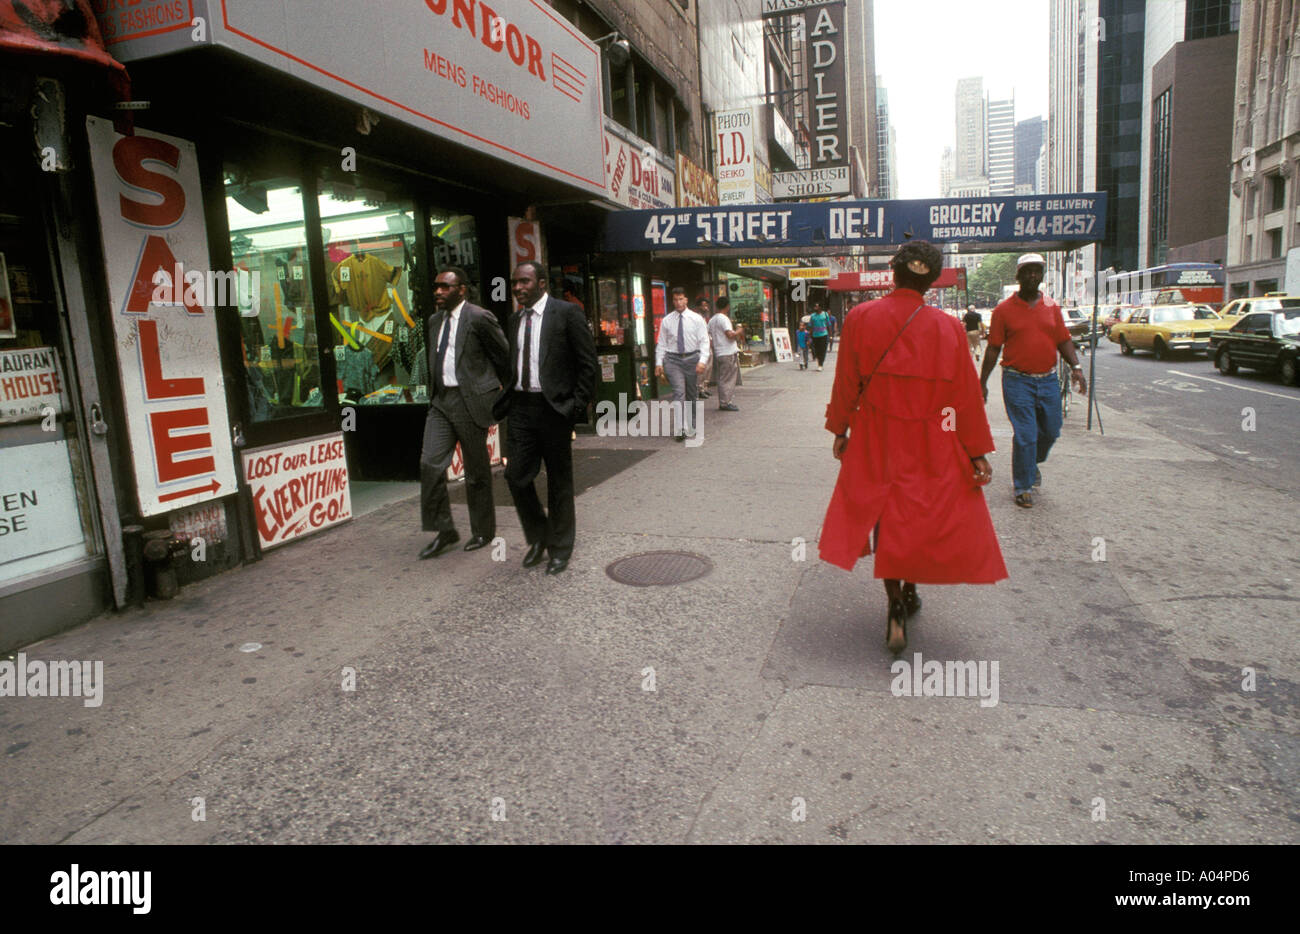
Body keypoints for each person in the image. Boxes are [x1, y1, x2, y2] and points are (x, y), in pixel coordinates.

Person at [821, 240, 1007, 654]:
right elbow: (964, 399)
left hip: (876, 434)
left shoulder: (860, 317)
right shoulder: (949, 328)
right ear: (932, 279)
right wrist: (975, 451)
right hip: (932, 437)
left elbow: (846, 380)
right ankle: (909, 588)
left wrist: (840, 428)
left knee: (885, 513)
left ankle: (893, 603)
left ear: (894, 272)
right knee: (916, 516)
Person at [495, 262, 598, 575]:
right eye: (514, 283)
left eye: (524, 282)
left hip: (555, 409)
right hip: (522, 409)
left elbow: (587, 365)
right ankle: (539, 536)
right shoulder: (514, 321)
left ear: (541, 283)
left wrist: (574, 408)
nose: (517, 288)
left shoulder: (566, 313)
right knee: (516, 477)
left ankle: (560, 548)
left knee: (559, 482)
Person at [979, 253, 1087, 508]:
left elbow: (1063, 340)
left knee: (1051, 430)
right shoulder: (1003, 310)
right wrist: (981, 381)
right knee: (1026, 435)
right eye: (1027, 271)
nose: (1032, 276)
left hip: (1048, 380)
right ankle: (1023, 485)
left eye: (1037, 271)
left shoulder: (1051, 307)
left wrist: (1077, 368)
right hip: (1017, 381)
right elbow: (993, 348)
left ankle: (1030, 464)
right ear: (1018, 276)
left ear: (1041, 275)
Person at [417, 266, 510, 559]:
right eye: (437, 287)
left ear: (462, 290)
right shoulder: (434, 321)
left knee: (476, 472)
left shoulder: (479, 318)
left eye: (445, 287)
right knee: (430, 464)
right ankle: (445, 530)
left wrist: (507, 398)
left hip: (471, 402)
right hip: (441, 403)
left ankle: (483, 530)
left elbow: (504, 358)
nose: (439, 292)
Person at [654, 286, 711, 441]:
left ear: (686, 300)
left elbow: (704, 341)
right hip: (673, 360)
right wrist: (659, 363)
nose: (678, 302)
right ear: (672, 301)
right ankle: (680, 428)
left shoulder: (696, 319)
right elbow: (662, 343)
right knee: (679, 393)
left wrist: (702, 361)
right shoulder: (667, 320)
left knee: (691, 394)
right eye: (675, 299)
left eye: (681, 299)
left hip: (692, 359)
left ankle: (691, 424)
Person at [708, 296, 744, 410]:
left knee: (722, 377)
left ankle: (724, 401)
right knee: (728, 378)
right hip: (727, 352)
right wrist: (739, 330)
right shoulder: (724, 318)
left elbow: (708, 336)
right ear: (727, 306)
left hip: (718, 351)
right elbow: (729, 334)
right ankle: (725, 402)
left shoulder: (712, 320)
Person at [809, 305, 831, 370]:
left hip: (824, 335)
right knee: (817, 350)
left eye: (816, 306)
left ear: (820, 307)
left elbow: (828, 324)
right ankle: (820, 363)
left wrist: (830, 335)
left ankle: (820, 364)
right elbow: (810, 326)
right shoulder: (812, 316)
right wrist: (810, 337)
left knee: (823, 350)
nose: (815, 308)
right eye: (814, 306)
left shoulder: (825, 314)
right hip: (815, 336)